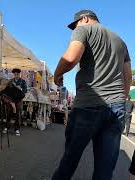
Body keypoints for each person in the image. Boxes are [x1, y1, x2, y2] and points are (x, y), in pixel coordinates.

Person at [52, 10, 132, 180]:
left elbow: (71, 57)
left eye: (76, 24)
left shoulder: (84, 30)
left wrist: (57, 74)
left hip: (88, 105)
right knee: (104, 170)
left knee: (69, 161)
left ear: (85, 18)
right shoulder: (121, 41)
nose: (75, 28)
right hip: (116, 108)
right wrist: (120, 98)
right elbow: (127, 76)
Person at [3, 68, 27, 136]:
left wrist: (21, 88)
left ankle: (17, 129)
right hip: (11, 100)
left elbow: (25, 90)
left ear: (19, 74)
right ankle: (7, 127)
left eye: (17, 74)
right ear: (14, 74)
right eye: (15, 74)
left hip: (19, 100)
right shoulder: (10, 81)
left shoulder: (23, 81)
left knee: (17, 114)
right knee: (9, 113)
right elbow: (7, 89)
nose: (16, 75)